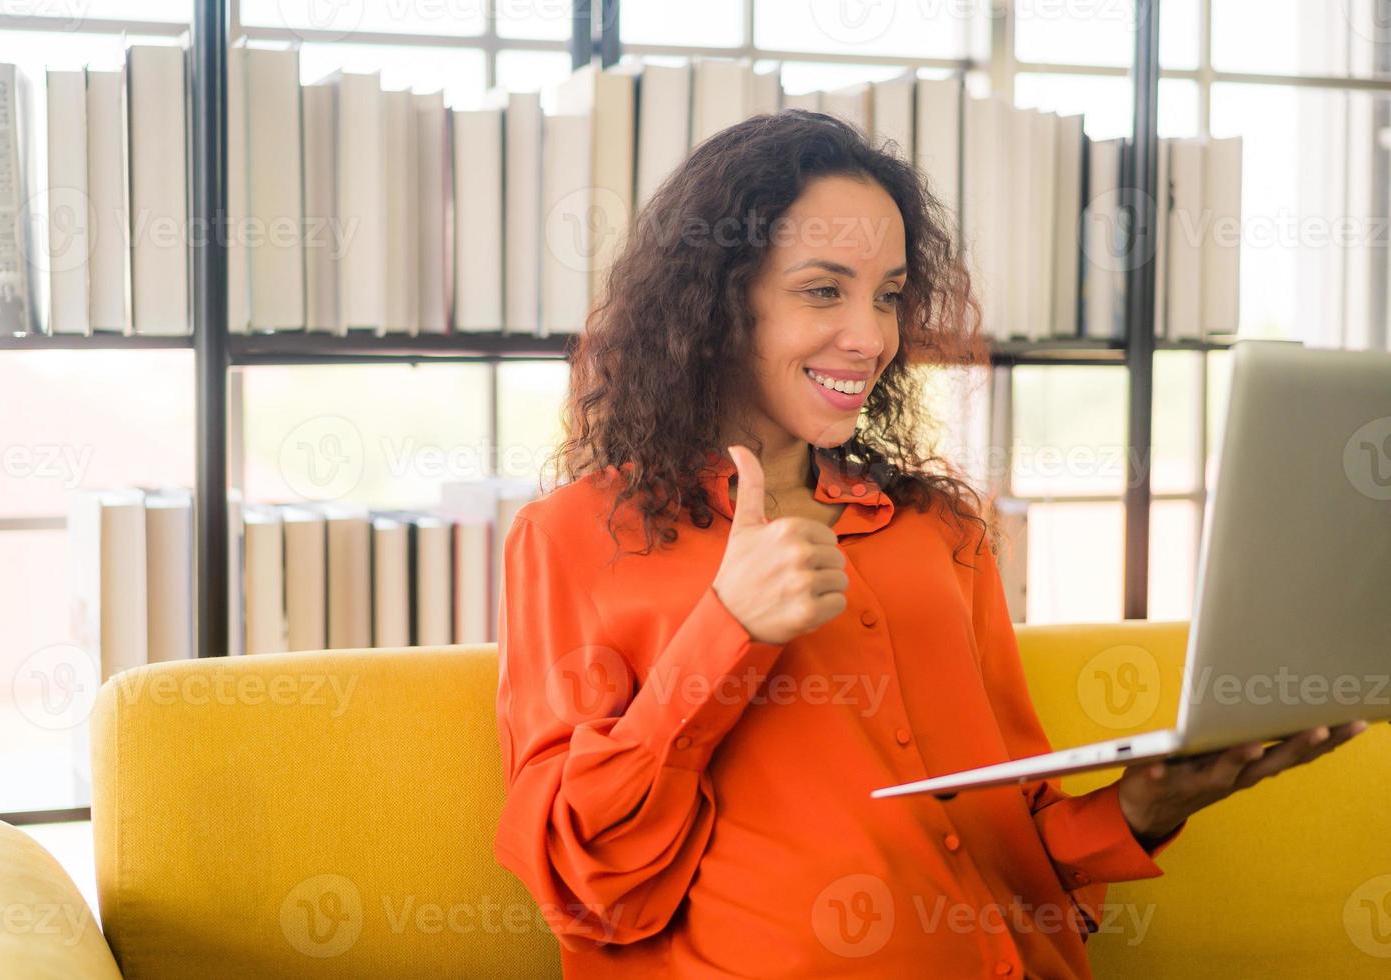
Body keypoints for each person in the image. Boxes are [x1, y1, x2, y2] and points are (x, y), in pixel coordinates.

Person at [493, 109, 1367, 978]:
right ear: (717, 304)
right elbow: (585, 885)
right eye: (823, 289)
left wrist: (1140, 808)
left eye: (888, 295)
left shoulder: (938, 530)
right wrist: (729, 627)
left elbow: (1019, 839)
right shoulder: (572, 538)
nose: (872, 337)